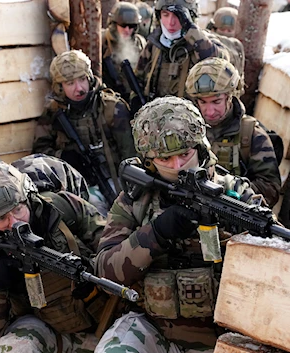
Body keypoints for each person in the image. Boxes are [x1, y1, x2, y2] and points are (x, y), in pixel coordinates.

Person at [94, 96, 257, 353]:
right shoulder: (136, 199)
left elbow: (275, 261)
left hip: (222, 336)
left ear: (200, 147)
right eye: (165, 160)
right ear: (148, 160)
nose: (178, 166)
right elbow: (104, 271)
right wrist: (156, 234)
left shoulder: (234, 193)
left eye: (184, 154)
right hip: (155, 328)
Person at [0, 162, 106, 352]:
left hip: (102, 324)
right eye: (1, 218)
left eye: (17, 210)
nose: (14, 223)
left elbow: (114, 248)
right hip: (51, 335)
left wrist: (95, 270)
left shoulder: (62, 209)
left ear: (28, 199)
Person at [33, 50, 136, 215]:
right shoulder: (54, 113)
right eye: (70, 83)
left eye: (82, 80)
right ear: (60, 87)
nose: (79, 89)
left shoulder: (111, 108)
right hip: (73, 185)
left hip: (114, 181)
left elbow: (131, 156)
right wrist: (64, 158)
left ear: (89, 78)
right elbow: (39, 153)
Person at [185, 57, 281, 207]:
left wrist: (232, 191)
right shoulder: (186, 129)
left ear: (230, 97)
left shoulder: (251, 135)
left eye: (216, 102)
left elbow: (270, 189)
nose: (209, 111)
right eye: (203, 102)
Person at [132, 0, 228, 105]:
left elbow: (221, 63)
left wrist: (191, 31)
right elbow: (138, 79)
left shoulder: (202, 41)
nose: (171, 22)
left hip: (191, 117)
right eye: (166, 15)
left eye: (178, 16)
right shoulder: (154, 44)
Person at [102, 2, 146, 99]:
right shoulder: (103, 41)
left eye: (131, 26)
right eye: (123, 25)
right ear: (114, 24)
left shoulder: (140, 43)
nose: (127, 30)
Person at [205, 7, 245, 87]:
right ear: (213, 29)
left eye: (229, 31)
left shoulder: (237, 47)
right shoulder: (206, 43)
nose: (225, 33)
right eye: (222, 30)